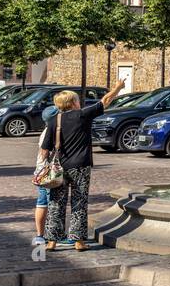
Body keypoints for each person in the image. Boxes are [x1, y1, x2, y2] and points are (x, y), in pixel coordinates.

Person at [38, 80, 125, 251]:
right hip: (80, 166)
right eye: (77, 100)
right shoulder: (82, 115)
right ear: (72, 103)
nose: (80, 102)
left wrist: (44, 167)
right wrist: (117, 88)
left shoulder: (55, 120)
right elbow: (105, 101)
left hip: (59, 168)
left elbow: (44, 150)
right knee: (79, 202)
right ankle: (78, 241)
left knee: (56, 203)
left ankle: (52, 242)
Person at [33, 105, 59, 246]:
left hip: (41, 171)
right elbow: (45, 153)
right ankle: (51, 235)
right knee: (51, 203)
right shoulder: (52, 131)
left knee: (42, 203)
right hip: (49, 174)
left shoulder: (45, 130)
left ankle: (40, 235)